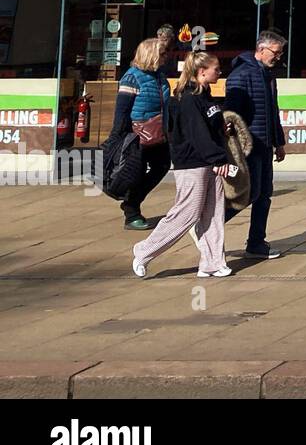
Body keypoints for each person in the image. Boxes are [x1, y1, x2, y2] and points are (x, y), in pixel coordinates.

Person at [130, 51, 232, 279]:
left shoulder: (205, 94)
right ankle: (144, 251)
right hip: (192, 163)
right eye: (216, 68)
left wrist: (222, 132)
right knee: (187, 212)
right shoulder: (186, 98)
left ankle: (212, 262)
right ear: (202, 71)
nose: (220, 72)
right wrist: (218, 157)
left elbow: (209, 126)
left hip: (210, 161)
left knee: (213, 213)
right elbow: (196, 133)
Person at [224, 30, 288, 259]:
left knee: (264, 194)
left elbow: (273, 111)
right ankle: (209, 224)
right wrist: (237, 146)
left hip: (265, 144)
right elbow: (231, 115)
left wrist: (278, 142)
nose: (278, 57)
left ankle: (256, 243)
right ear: (261, 49)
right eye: (276, 52)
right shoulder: (241, 75)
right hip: (249, 146)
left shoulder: (268, 75)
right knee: (248, 193)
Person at [109, 37, 172, 231]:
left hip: (158, 132)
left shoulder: (159, 75)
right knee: (134, 172)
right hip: (137, 134)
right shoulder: (132, 77)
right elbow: (122, 110)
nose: (166, 57)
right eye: (162, 53)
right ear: (151, 54)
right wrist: (117, 137)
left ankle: (132, 201)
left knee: (161, 166)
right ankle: (131, 211)